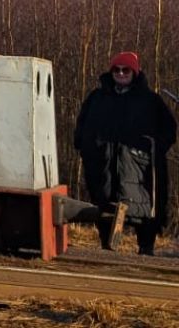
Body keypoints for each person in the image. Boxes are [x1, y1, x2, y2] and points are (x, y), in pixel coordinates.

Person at [74, 51, 175, 256]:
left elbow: (169, 129)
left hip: (140, 168)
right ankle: (107, 246)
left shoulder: (150, 101)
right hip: (104, 164)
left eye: (125, 70)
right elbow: (82, 126)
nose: (121, 73)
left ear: (134, 72)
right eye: (116, 70)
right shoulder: (97, 98)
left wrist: (153, 149)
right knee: (104, 204)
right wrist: (87, 148)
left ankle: (146, 248)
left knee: (144, 209)